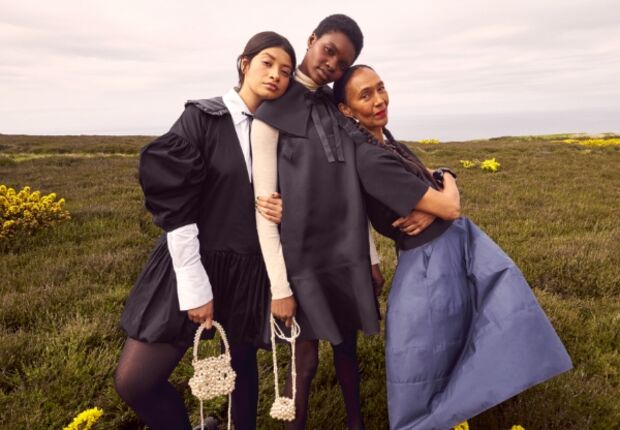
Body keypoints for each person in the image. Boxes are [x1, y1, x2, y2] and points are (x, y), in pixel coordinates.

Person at [333, 65, 573, 430]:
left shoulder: (386, 140)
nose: (379, 100)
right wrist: (441, 200)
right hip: (428, 259)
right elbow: (449, 206)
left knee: (490, 317)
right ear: (346, 110)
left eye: (380, 88)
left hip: (450, 244)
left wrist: (443, 183)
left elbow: (435, 184)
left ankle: (477, 395)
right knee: (424, 349)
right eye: (365, 95)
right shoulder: (370, 157)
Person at [114, 31, 296, 430]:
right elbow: (175, 203)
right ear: (245, 64)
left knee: (242, 372)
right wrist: (195, 286)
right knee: (135, 382)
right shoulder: (202, 117)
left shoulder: (282, 131)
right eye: (267, 63)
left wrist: (291, 206)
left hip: (248, 269)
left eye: (285, 71)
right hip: (192, 264)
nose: (276, 75)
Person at [250, 14, 397, 430]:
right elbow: (264, 207)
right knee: (306, 358)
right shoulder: (269, 112)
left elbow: (357, 187)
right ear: (312, 40)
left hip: (348, 250)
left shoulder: (340, 106)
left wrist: (371, 255)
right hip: (302, 257)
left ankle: (356, 424)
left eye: (341, 62)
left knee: (347, 347)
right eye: (328, 50)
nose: (331, 64)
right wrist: (280, 286)